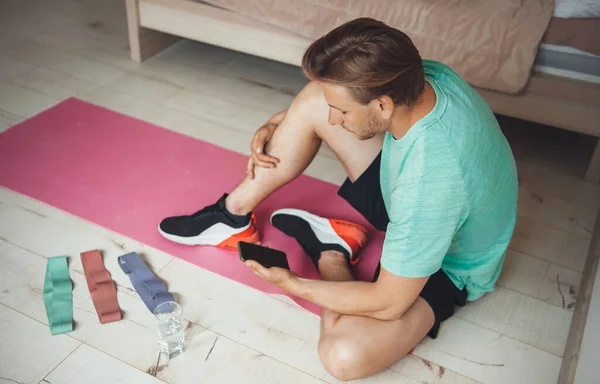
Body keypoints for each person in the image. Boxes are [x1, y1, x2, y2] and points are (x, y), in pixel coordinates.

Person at [158, 17, 518, 381]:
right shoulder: (416, 75)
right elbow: (324, 101)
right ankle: (232, 216)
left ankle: (331, 254)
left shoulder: (431, 178)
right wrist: (280, 122)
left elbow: (389, 303)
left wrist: (293, 283)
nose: (332, 118)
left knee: (342, 355)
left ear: (382, 107)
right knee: (318, 97)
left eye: (342, 113)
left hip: (448, 264)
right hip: (417, 193)